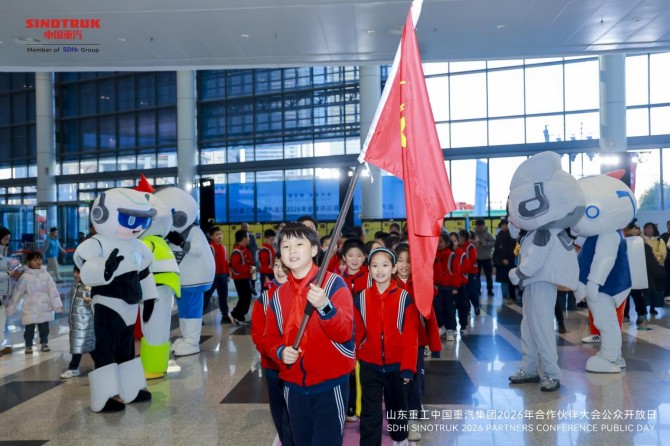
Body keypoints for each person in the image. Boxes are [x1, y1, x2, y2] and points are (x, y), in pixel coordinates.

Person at [263, 222, 355, 446]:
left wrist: (325, 307)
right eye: (286, 246)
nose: (292, 250)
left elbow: (345, 333)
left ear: (314, 250)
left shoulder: (333, 284)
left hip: (329, 385)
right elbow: (269, 338)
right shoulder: (279, 296)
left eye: (299, 244)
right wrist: (280, 351)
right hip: (293, 386)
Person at [353, 247, 418, 446]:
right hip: (369, 364)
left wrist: (408, 368)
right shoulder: (361, 298)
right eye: (374, 266)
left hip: (396, 366)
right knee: (370, 411)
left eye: (384, 265)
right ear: (369, 269)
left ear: (394, 268)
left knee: (397, 408)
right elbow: (356, 332)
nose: (379, 270)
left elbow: (410, 337)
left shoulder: (404, 298)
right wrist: (352, 358)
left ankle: (400, 438)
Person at [395, 243, 440, 442]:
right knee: (399, 381)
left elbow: (430, 315)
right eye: (400, 260)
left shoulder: (420, 285)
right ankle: (400, 415)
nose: (404, 265)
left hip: (417, 342)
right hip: (394, 343)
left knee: (415, 381)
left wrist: (434, 343)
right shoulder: (388, 283)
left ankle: (412, 418)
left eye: (409, 261)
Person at [251, 258, 294, 446]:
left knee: (293, 410)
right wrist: (275, 354)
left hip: (295, 366)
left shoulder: (300, 295)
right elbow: (258, 335)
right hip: (272, 365)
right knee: (278, 407)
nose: (280, 270)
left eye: (284, 266)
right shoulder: (264, 300)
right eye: (276, 266)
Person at [7, 251, 63, 354]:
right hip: (30, 307)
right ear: (29, 262)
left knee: (44, 328)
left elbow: (53, 291)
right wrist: (12, 307)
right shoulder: (25, 276)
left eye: (40, 259)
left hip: (44, 306)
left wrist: (57, 305)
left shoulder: (46, 275)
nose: (38, 262)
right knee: (29, 328)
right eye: (35, 260)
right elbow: (18, 292)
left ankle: (44, 343)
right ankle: (28, 345)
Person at [340, 238, 369, 421]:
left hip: (365, 333)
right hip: (344, 332)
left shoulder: (370, 277)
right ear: (344, 257)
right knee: (347, 370)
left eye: (359, 255)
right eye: (350, 255)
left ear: (364, 257)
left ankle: (363, 405)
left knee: (364, 371)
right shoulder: (338, 279)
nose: (355, 259)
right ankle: (349, 406)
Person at [60, 265, 95, 379]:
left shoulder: (89, 288)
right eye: (74, 272)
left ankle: (73, 368)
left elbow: (95, 305)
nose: (75, 274)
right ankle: (101, 364)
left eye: (78, 272)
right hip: (76, 322)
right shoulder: (75, 286)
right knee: (87, 346)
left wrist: (89, 302)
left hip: (85, 323)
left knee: (79, 345)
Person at [433, 234, 460, 341]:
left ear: (447, 243)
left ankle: (450, 329)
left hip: (449, 288)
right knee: (437, 308)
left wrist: (455, 287)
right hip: (438, 287)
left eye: (441, 242)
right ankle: (441, 325)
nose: (439, 244)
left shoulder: (451, 255)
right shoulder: (434, 254)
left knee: (449, 309)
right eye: (438, 241)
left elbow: (456, 271)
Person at [0, 226, 20, 356]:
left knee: (1, 319)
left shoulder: (2, 254)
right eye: (5, 239)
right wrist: (8, 274)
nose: (7, 242)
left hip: (1, 293)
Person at [204, 226, 230, 324]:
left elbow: (226, 261)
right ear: (211, 237)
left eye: (220, 234)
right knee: (207, 296)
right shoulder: (210, 247)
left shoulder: (223, 247)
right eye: (216, 235)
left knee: (223, 296)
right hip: (213, 276)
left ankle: (225, 315)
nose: (219, 236)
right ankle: (198, 316)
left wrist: (227, 275)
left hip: (222, 275)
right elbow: (207, 263)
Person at [229, 229, 255, 326]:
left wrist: (251, 269)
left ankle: (240, 317)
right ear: (244, 238)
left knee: (246, 297)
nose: (249, 239)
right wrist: (248, 270)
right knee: (244, 298)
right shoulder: (237, 251)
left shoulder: (244, 250)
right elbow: (236, 265)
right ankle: (234, 314)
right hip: (240, 279)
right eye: (248, 237)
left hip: (245, 277)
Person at [493, 219, 517, 304]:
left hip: (509, 261)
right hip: (501, 261)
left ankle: (512, 296)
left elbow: (511, 249)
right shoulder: (499, 235)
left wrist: (507, 259)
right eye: (502, 225)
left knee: (510, 279)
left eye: (505, 225)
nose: (504, 227)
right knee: (503, 279)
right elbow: (497, 248)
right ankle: (506, 295)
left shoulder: (511, 235)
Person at [458, 229, 480, 316]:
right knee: (465, 293)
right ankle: (467, 310)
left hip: (471, 274)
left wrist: (465, 269)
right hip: (463, 274)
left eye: (459, 237)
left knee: (472, 292)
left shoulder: (470, 247)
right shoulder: (459, 247)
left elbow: (472, 260)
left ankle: (476, 306)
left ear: (463, 238)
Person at [474, 219, 495, 297]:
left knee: (488, 275)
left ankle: (490, 290)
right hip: (477, 258)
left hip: (487, 258)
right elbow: (470, 242)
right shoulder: (474, 234)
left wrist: (486, 244)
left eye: (481, 226)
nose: (480, 228)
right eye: (478, 226)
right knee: (476, 275)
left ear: (483, 226)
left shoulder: (488, 234)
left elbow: (493, 242)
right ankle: (477, 289)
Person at [241, 223, 259, 296]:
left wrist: (251, 252)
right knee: (245, 276)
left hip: (251, 258)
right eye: (243, 227)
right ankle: (247, 289)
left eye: (246, 227)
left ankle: (253, 289)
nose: (244, 228)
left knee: (253, 276)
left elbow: (255, 246)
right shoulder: (239, 236)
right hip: (244, 259)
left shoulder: (251, 236)